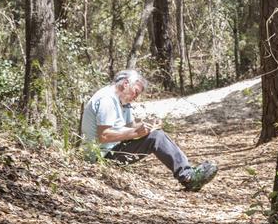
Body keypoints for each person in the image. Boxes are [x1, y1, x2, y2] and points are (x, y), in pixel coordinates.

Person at [80, 69, 218, 191]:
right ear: (126, 84)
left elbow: (128, 125)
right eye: (136, 92)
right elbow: (104, 136)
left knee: (156, 134)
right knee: (156, 137)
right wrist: (136, 133)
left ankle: (187, 173)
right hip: (100, 158)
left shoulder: (121, 101)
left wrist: (148, 124)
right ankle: (188, 177)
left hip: (112, 150)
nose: (136, 97)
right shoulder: (107, 100)